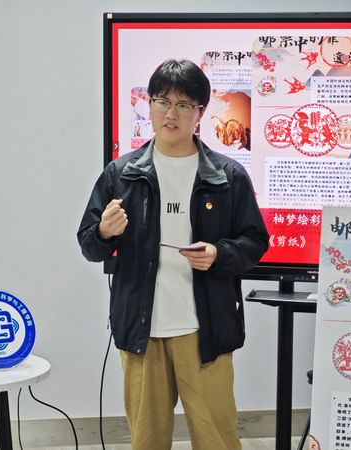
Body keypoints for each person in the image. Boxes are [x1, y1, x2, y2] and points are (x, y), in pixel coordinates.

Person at [77, 59, 269, 450]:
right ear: (148, 104)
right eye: (162, 101)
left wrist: (219, 253)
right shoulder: (122, 174)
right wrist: (104, 232)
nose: (171, 113)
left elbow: (255, 241)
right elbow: (88, 244)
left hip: (205, 331)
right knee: (147, 441)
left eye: (184, 105)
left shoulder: (227, 176)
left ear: (200, 112)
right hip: (142, 331)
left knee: (217, 440)